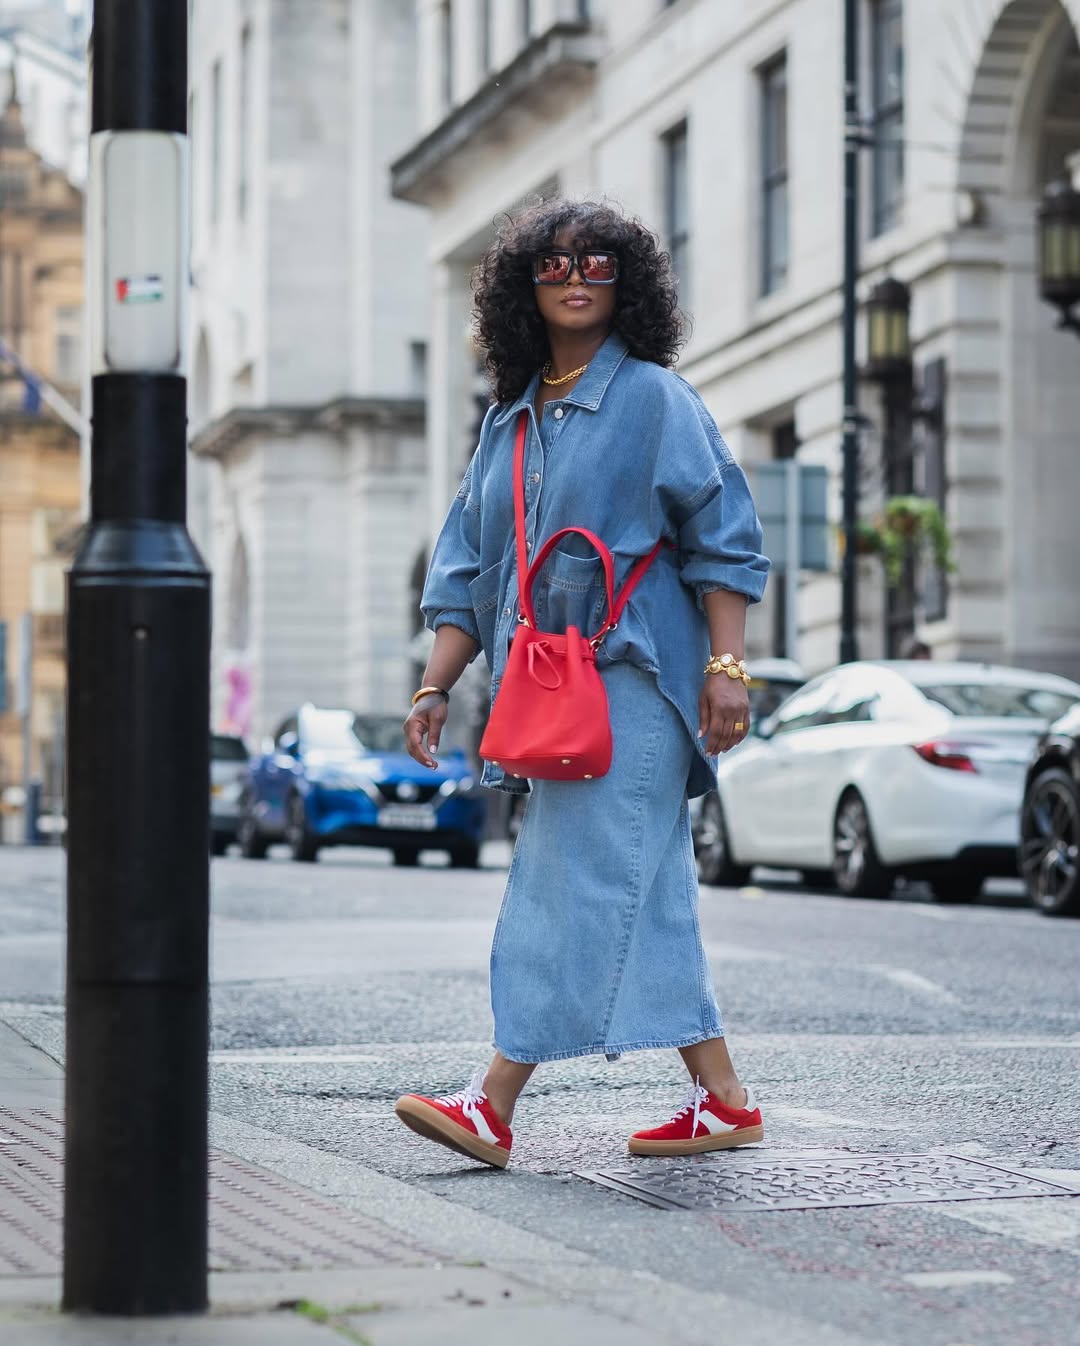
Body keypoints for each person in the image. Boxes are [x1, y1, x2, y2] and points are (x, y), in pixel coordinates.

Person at [395, 199, 770, 1169]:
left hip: (636, 681)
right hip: (549, 684)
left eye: (597, 261)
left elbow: (722, 534)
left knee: (566, 879)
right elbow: (469, 566)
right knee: (647, 894)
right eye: (554, 262)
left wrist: (728, 668)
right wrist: (435, 686)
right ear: (523, 286)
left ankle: (492, 1100)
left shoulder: (652, 398)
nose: (574, 275)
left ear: (626, 282)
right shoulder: (511, 418)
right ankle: (723, 1096)